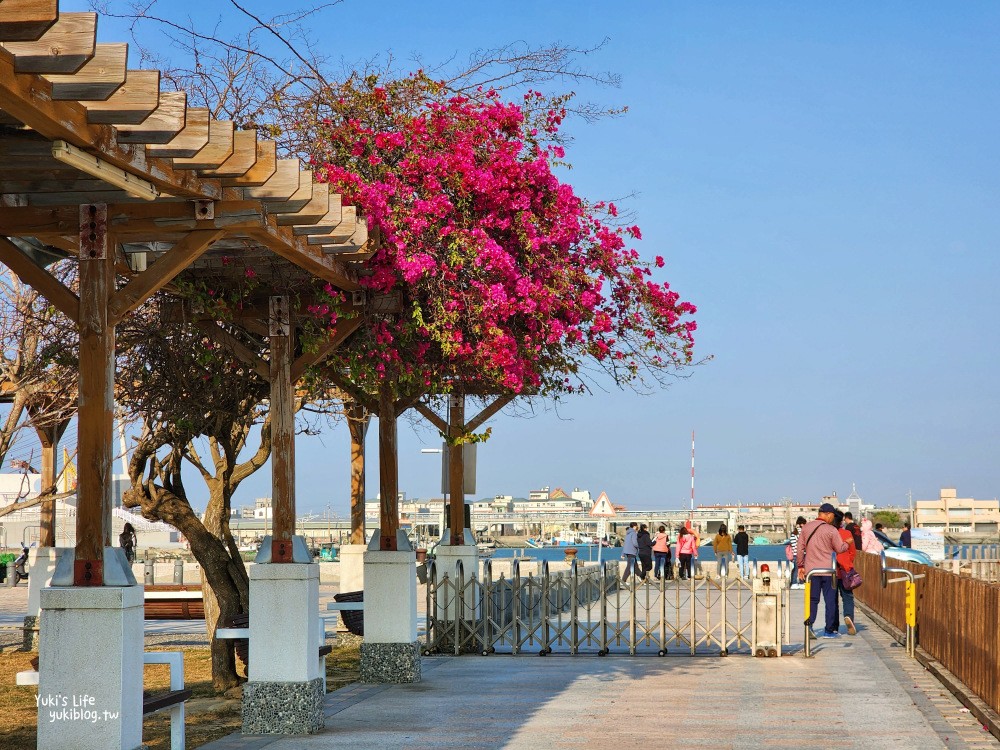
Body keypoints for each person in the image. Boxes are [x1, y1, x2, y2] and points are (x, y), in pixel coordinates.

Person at [796, 503, 849, 638]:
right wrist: (848, 543)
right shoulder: (831, 530)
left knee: (812, 599)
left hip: (811, 571)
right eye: (832, 516)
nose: (832, 519)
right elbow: (839, 548)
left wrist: (800, 566)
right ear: (828, 514)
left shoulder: (806, 528)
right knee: (830, 600)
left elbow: (800, 549)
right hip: (828, 571)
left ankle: (809, 625)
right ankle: (829, 631)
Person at [831, 509, 858, 635]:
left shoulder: (828, 533)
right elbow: (853, 552)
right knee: (847, 596)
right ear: (842, 520)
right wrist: (847, 561)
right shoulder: (846, 533)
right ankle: (849, 618)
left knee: (832, 599)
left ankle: (833, 626)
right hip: (845, 570)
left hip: (831, 571)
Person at [789, 516, 808, 588]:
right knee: (802, 568)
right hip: (802, 553)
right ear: (802, 524)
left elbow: (793, 544)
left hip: (795, 554)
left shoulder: (794, 532)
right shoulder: (803, 532)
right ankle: (801, 582)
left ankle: (793, 583)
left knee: (796, 569)